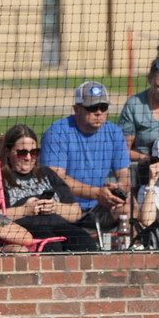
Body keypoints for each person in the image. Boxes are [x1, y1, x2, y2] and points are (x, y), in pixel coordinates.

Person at [41, 81, 131, 232]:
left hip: (99, 206)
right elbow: (56, 179)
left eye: (103, 107)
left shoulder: (114, 132)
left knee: (129, 206)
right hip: (64, 206)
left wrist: (119, 188)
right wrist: (96, 193)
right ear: (76, 109)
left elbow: (124, 175)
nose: (99, 112)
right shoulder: (57, 132)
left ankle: (131, 246)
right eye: (92, 107)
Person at [0, 124, 98, 252]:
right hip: (24, 228)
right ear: (8, 152)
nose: (28, 158)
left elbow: (76, 213)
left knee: (84, 241)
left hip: (58, 225)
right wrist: (24, 210)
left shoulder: (47, 174)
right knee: (51, 246)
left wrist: (55, 207)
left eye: (34, 153)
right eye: (22, 153)